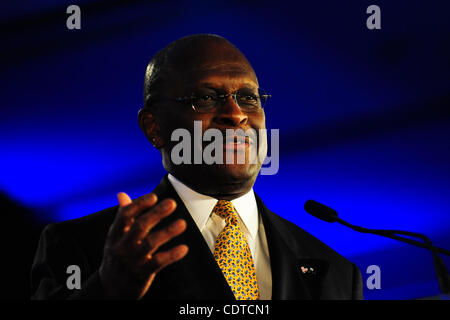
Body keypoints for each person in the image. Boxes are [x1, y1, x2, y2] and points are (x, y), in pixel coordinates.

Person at [31, 34, 363, 300]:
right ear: (154, 127)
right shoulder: (82, 245)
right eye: (205, 98)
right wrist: (107, 291)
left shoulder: (336, 272)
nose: (235, 114)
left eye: (248, 97)